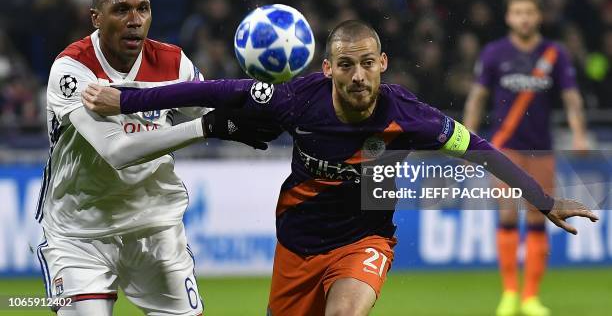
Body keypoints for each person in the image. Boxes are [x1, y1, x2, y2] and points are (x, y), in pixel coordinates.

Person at [82, 20, 597, 316]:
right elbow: (215, 89)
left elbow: (480, 148)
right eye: (346, 64)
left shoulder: (410, 116)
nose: (357, 74)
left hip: (364, 241)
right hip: (297, 244)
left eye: (367, 63)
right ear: (327, 68)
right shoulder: (295, 100)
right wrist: (123, 100)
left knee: (346, 313)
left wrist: (543, 199)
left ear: (383, 64)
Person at [37, 0, 278, 316]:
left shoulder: (173, 63)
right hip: (79, 233)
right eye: (121, 10)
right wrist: (204, 127)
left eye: (143, 9)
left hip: (156, 227)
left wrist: (270, 97)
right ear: (95, 17)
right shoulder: (73, 69)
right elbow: (116, 151)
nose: (135, 20)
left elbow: (220, 110)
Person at [463, 0, 589, 316]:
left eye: (529, 12)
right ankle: (509, 294)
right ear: (508, 17)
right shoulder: (494, 53)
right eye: (518, 12)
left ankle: (531, 297)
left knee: (539, 215)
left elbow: (571, 97)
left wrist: (579, 134)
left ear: (539, 16)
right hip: (503, 147)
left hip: (541, 149)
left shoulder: (555, 54)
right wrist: (466, 135)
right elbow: (477, 97)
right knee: (507, 212)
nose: (524, 18)